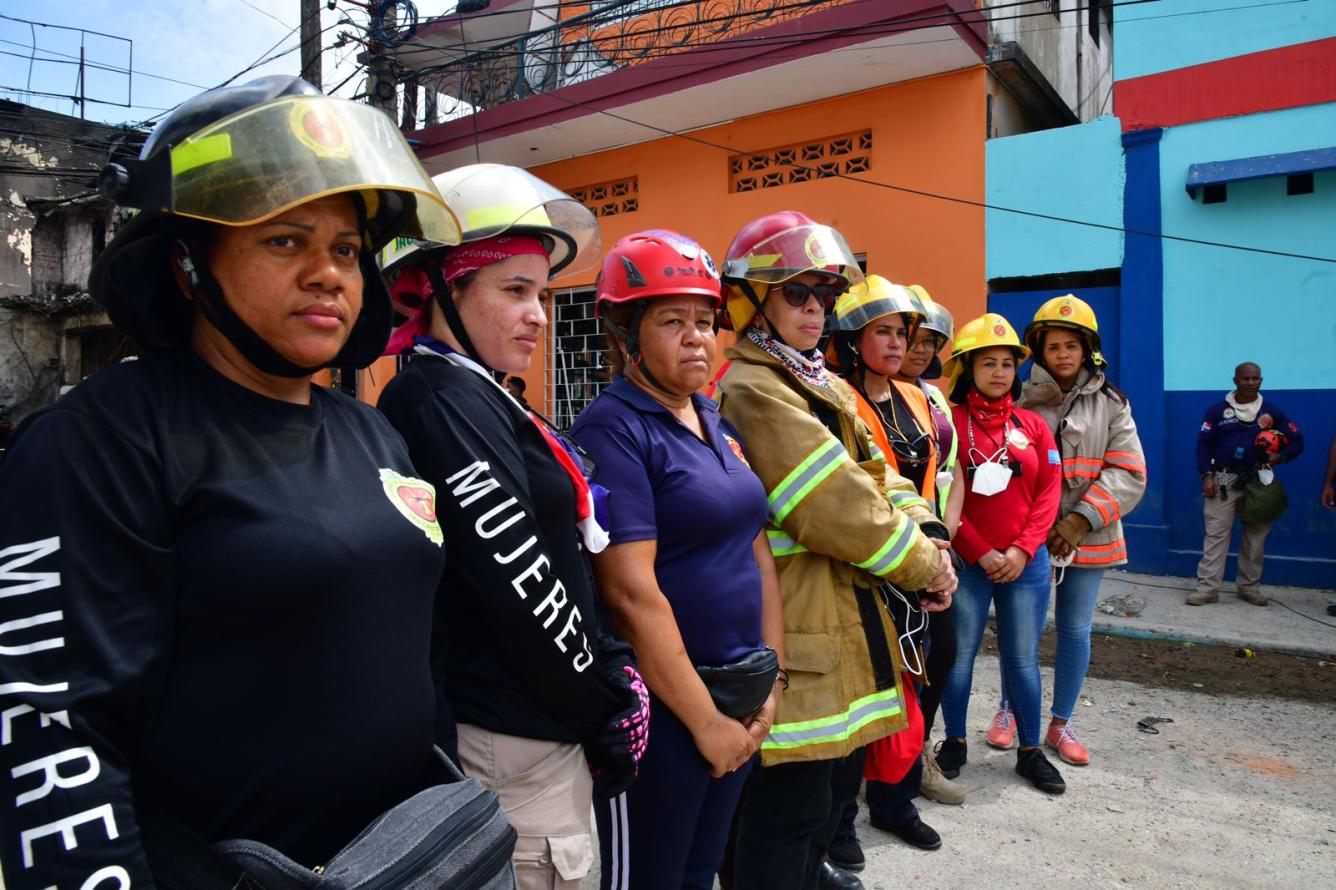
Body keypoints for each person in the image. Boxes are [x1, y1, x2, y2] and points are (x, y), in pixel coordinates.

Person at [0, 75, 464, 887]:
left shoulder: (375, 433)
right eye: (285, 240)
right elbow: (50, 730)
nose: (329, 273)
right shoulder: (101, 441)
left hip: (408, 860)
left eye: (347, 250)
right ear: (187, 266)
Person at [376, 163, 649, 890]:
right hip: (514, 743)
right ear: (442, 290)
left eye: (544, 294)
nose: (538, 315)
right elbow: (518, 579)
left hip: (543, 730)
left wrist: (614, 661)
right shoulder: (435, 400)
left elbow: (561, 559)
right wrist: (606, 698)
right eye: (515, 291)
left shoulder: (484, 394)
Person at [714, 211, 957, 890]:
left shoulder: (818, 381)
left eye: (823, 295)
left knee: (823, 805)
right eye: (796, 293)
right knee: (784, 816)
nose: (815, 309)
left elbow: (883, 475)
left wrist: (930, 533)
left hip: (844, 623)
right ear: (751, 300)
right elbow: (840, 509)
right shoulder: (754, 388)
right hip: (800, 629)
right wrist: (924, 564)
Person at [570, 230, 783, 890]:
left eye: (706, 320)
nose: (697, 337)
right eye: (672, 321)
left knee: (699, 872)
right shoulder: (614, 427)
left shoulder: (716, 420)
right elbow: (631, 597)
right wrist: (706, 723)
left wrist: (772, 685)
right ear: (628, 334)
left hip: (743, 695)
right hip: (667, 717)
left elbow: (759, 552)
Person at [979, 295, 1146, 766]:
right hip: (1026, 538)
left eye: (1072, 345)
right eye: (1053, 347)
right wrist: (1035, 528)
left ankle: (1060, 723)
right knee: (1021, 633)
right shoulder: (1016, 398)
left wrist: (1079, 520)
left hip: (1090, 536)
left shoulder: (1113, 404)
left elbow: (1129, 471)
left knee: (1074, 629)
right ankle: (1010, 711)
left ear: (1088, 350)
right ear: (1039, 350)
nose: (1063, 355)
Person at [825, 277, 950, 861]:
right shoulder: (831, 398)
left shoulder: (920, 399)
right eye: (883, 331)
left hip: (920, 559)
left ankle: (895, 801)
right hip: (866, 564)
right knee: (862, 695)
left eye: (903, 332)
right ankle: (841, 820)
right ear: (851, 339)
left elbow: (930, 481)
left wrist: (936, 547)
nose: (899, 343)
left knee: (922, 682)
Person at [938, 313, 1065, 794]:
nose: (999, 372)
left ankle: (1030, 751)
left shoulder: (1034, 425)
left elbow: (1048, 492)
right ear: (967, 369)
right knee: (959, 657)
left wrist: (1021, 549)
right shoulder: (949, 422)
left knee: (1022, 660)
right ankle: (954, 742)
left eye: (1008, 364)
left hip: (1025, 564)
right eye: (988, 363)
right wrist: (981, 550)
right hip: (969, 564)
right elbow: (944, 492)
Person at [896, 287, 964, 803]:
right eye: (911, 337)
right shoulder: (854, 393)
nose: (920, 348)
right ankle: (884, 769)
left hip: (936, 542)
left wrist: (947, 533)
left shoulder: (933, 397)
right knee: (898, 658)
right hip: (893, 545)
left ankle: (920, 755)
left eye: (930, 340)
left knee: (943, 650)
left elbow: (952, 471)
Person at [1189, 362, 1304, 606]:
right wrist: (1206, 475)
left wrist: (1280, 457)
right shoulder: (1217, 411)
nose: (1250, 383)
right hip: (1223, 479)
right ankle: (1207, 588)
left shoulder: (1271, 412)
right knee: (1216, 535)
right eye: (1245, 379)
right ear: (1235, 380)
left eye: (1255, 378)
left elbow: (1296, 441)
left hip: (1259, 480)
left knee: (1255, 536)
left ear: (1261, 381)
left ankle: (1249, 587)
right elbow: (1203, 445)